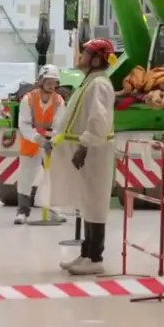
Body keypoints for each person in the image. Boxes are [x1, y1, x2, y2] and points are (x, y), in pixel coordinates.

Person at [51, 38, 117, 275]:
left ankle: (96, 256)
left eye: (85, 54)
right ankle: (86, 253)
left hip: (95, 152)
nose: (80, 58)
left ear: (97, 59)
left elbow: (98, 119)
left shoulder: (99, 84)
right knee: (87, 202)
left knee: (96, 203)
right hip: (88, 151)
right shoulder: (90, 81)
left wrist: (84, 146)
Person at [12, 65, 64, 224]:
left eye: (54, 82)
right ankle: (23, 211)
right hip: (31, 142)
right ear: (41, 81)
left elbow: (60, 125)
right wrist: (38, 138)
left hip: (50, 144)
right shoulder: (29, 99)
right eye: (48, 81)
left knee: (53, 176)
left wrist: (52, 140)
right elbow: (24, 125)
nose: (51, 85)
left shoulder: (59, 101)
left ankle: (54, 209)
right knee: (26, 177)